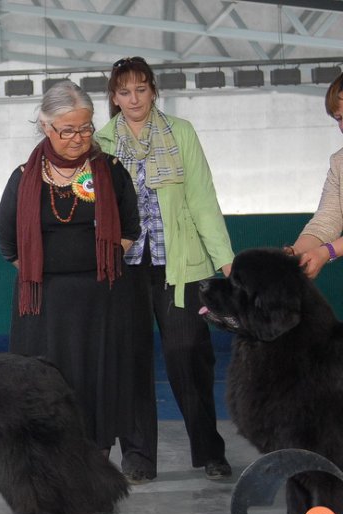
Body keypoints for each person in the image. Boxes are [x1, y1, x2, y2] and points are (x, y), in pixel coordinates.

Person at [95, 56, 235, 484]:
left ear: (154, 90)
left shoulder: (181, 132)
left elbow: (202, 199)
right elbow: (96, 210)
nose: (134, 99)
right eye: (124, 92)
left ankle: (209, 451)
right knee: (131, 360)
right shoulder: (101, 142)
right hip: (124, 269)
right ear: (114, 97)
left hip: (181, 264)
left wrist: (226, 260)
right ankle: (138, 457)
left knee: (188, 354)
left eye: (141, 89)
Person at [0, 80, 140, 460]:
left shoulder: (110, 171)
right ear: (46, 127)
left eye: (86, 128)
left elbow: (130, 228)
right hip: (43, 304)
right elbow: (8, 244)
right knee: (44, 384)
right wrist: (45, 273)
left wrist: (100, 263)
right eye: (68, 130)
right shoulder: (23, 177)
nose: (79, 138)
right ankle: (50, 465)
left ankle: (97, 465)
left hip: (101, 299)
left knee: (99, 382)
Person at [287, 72, 343, 277]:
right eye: (339, 119)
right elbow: (325, 221)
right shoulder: (339, 163)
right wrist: (294, 255)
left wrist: (328, 251)